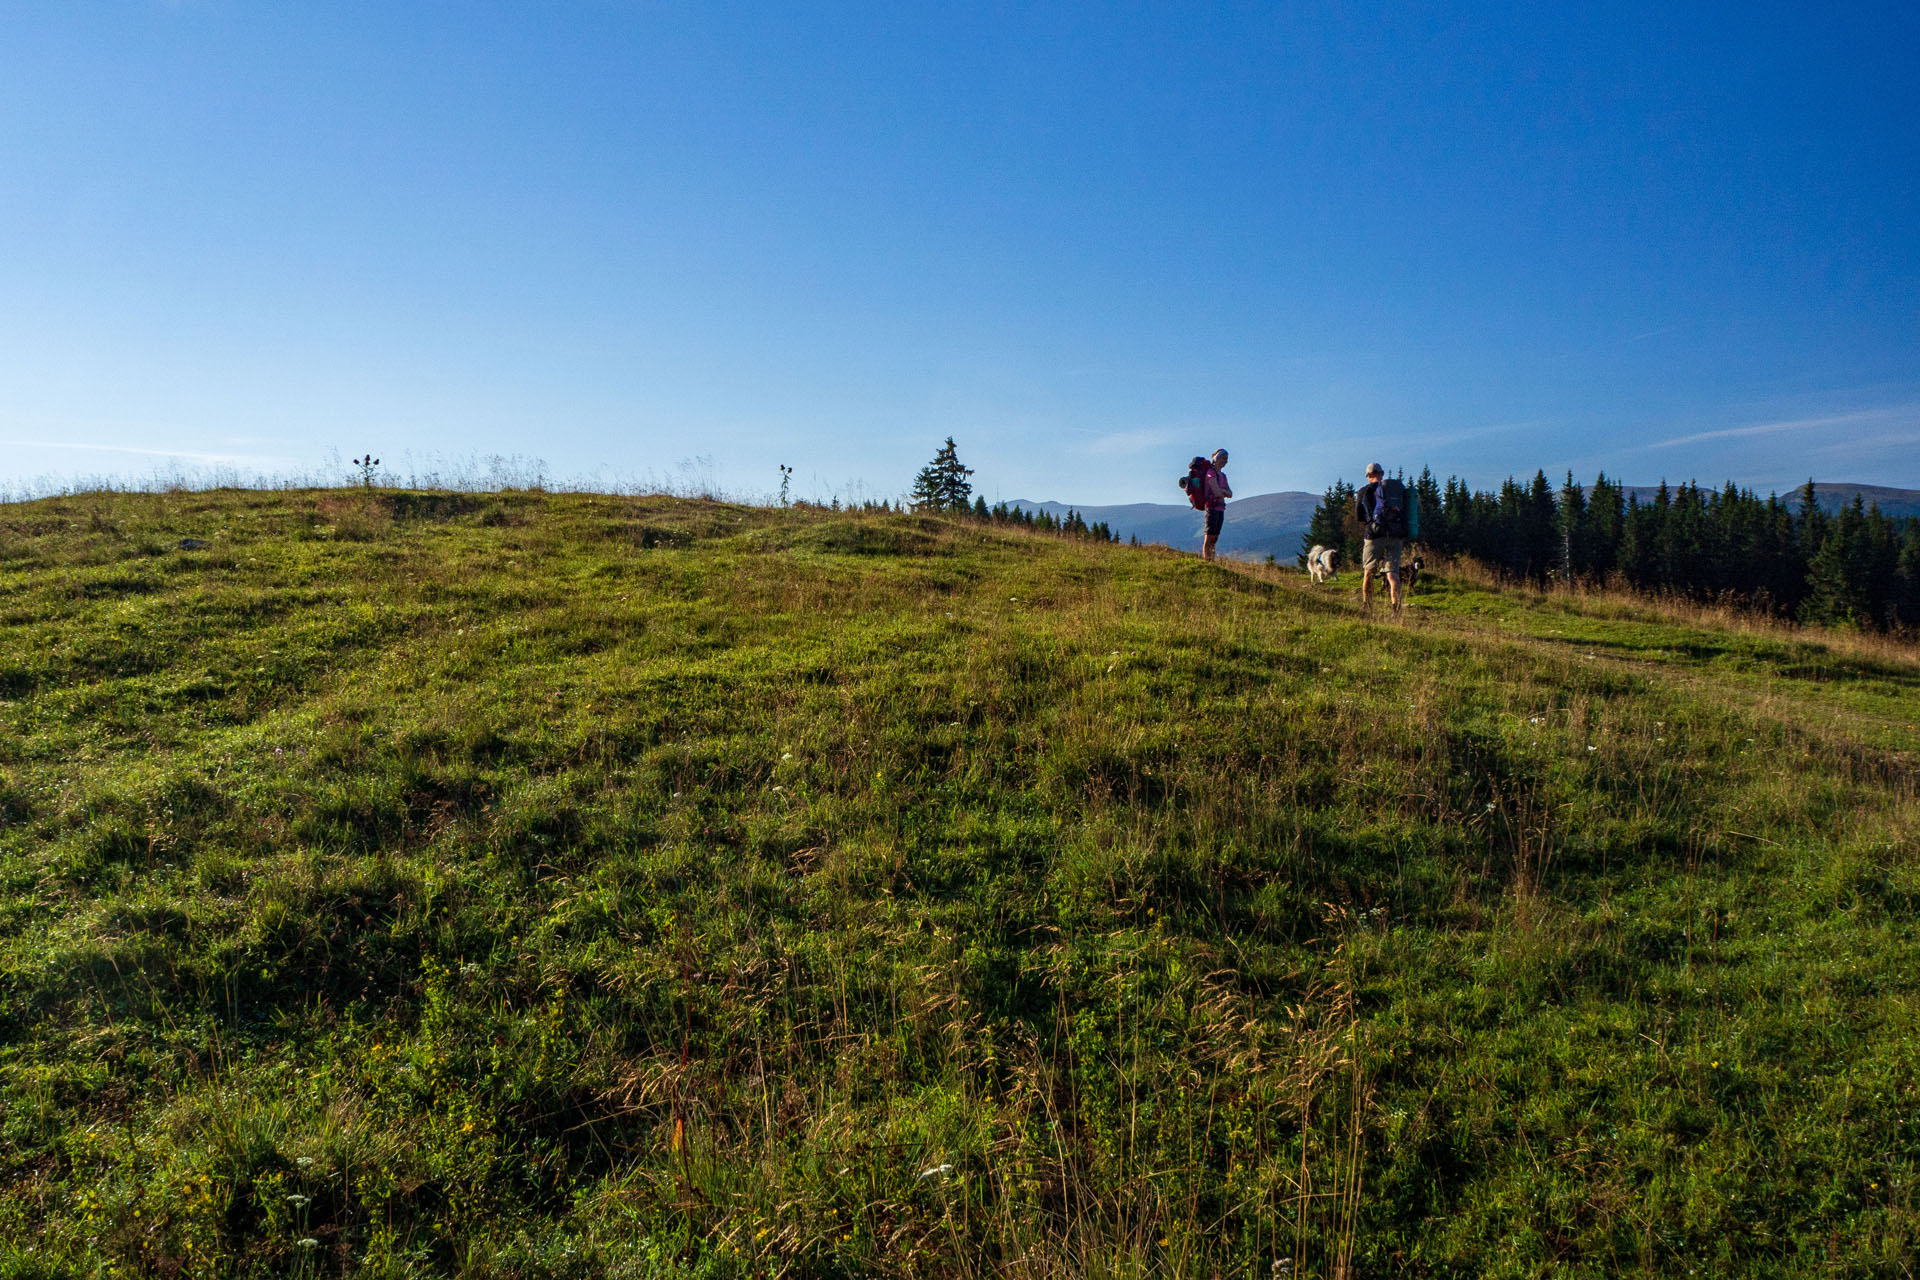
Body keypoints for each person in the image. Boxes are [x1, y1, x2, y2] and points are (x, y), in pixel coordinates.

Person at [1352, 461, 1409, 616]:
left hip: (1374, 534)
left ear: (1369, 475)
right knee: (1392, 574)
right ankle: (1396, 609)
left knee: (1369, 570)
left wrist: (1369, 521)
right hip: (1396, 534)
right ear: (1382, 473)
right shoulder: (1398, 490)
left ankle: (1367, 606)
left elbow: (1358, 514)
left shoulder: (1365, 490)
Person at [1201, 448, 1231, 561]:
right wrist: (1223, 492)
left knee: (1215, 538)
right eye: (1223, 458)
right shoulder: (1210, 473)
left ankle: (1211, 560)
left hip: (1220, 508)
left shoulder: (1223, 476)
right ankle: (1207, 561)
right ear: (1216, 458)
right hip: (1212, 508)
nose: (1225, 461)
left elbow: (1230, 493)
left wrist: (1222, 491)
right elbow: (1218, 492)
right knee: (1209, 537)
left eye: (1226, 459)